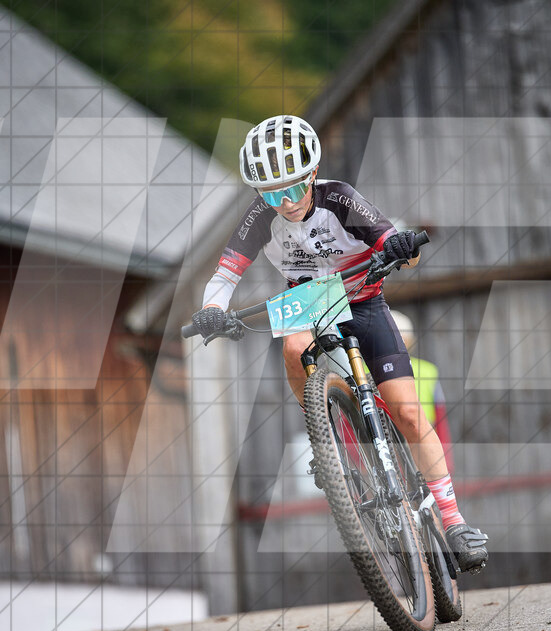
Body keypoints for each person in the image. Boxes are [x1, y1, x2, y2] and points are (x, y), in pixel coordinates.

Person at [190, 115, 488, 572]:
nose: (284, 202)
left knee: (408, 412)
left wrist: (401, 248)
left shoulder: (339, 197)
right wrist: (212, 309)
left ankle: (453, 519)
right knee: (293, 349)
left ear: (312, 174)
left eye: (292, 188)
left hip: (365, 299)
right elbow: (227, 271)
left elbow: (391, 241)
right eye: (271, 194)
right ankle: (322, 426)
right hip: (309, 302)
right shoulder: (258, 217)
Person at [388, 309, 455, 475]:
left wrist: (444, 459)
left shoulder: (428, 371)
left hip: (417, 444)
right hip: (403, 445)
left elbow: (440, 417)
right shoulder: (428, 370)